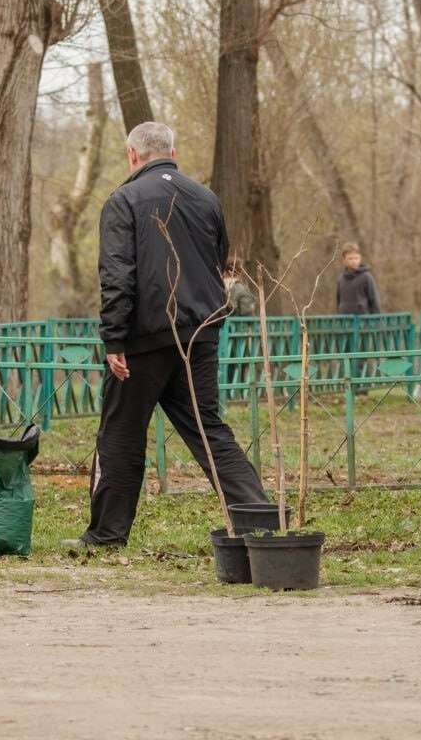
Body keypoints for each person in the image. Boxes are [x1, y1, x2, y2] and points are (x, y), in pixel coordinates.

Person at [64, 121, 268, 548]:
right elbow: (218, 263)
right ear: (173, 153)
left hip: (146, 338)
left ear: (133, 155)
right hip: (201, 334)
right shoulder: (206, 198)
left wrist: (114, 340)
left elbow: (117, 276)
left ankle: (106, 534)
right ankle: (259, 520)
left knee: (120, 432)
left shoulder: (124, 200)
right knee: (208, 429)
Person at [336, 242, 381, 315]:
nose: (354, 261)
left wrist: (376, 321)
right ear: (344, 260)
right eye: (350, 258)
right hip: (345, 321)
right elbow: (338, 301)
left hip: (363, 321)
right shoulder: (341, 279)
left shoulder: (366, 277)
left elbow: (374, 300)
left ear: (360, 258)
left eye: (356, 258)